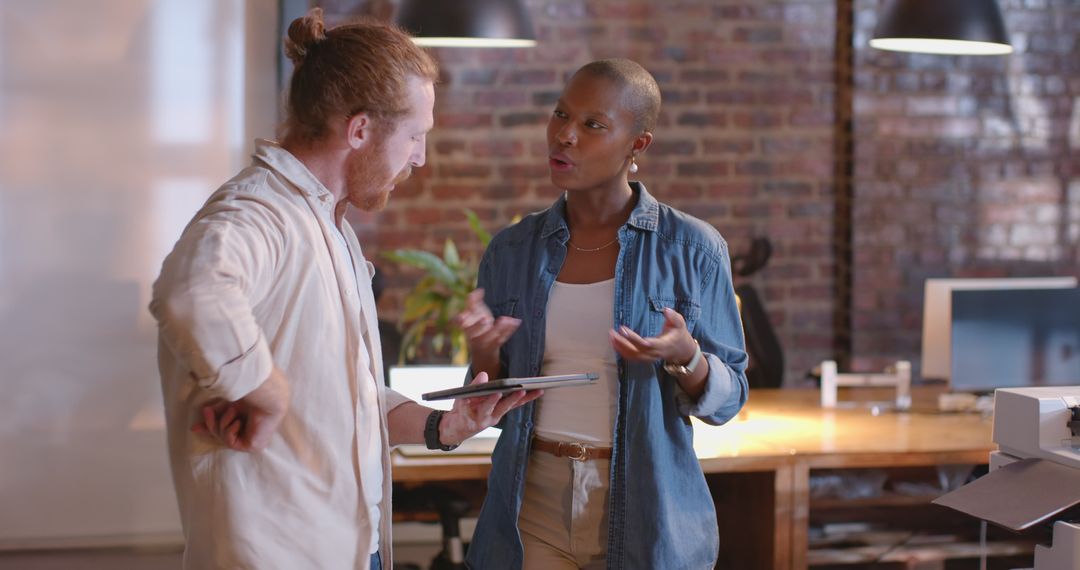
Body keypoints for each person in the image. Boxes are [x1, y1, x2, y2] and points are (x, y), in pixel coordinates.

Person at [149, 10, 538, 570]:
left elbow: (345, 400)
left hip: (354, 548)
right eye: (414, 136)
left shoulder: (330, 227)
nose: (419, 158)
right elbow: (189, 291)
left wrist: (442, 425)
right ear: (359, 131)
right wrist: (264, 390)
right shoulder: (260, 211)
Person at [454, 59, 750, 569]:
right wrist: (484, 353)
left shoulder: (694, 249)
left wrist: (688, 358)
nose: (565, 135)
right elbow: (492, 404)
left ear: (638, 145)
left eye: (593, 125)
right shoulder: (511, 251)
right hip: (533, 503)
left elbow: (730, 400)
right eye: (560, 114)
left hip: (647, 505)